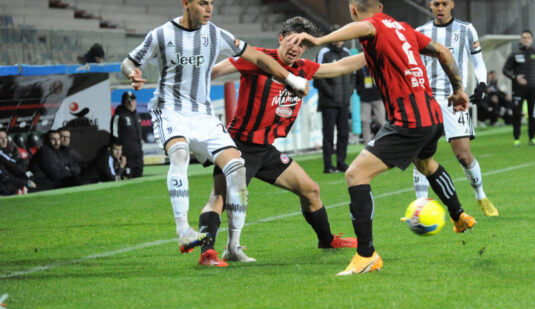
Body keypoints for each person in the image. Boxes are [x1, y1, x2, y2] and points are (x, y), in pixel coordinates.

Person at [288, 0, 476, 275]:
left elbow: (364, 26)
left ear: (352, 9)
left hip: (408, 121)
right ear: (381, 5)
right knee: (426, 164)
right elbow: (444, 53)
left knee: (355, 175)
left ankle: (366, 255)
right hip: (431, 115)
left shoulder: (372, 26)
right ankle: (459, 215)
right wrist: (459, 89)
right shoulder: (401, 29)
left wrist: (318, 38)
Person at [120, 0, 310, 257]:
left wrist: (290, 78)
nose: (209, 8)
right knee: (179, 153)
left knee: (237, 169)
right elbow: (129, 62)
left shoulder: (216, 34)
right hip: (170, 110)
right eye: (202, 3)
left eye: (211, 3)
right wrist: (132, 73)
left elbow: (257, 57)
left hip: (203, 115)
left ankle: (233, 246)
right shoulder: (161, 35)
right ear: (186, 3)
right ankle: (183, 230)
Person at [201, 16, 365, 267]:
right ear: (281, 38)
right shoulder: (256, 58)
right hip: (238, 146)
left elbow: (341, 67)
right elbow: (215, 72)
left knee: (311, 190)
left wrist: (376, 52)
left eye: (301, 45)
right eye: (291, 41)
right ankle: (207, 253)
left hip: (266, 150)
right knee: (219, 198)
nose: (295, 48)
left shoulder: (303, 68)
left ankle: (326, 239)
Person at [412, 0, 498, 217]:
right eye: (435, 4)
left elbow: (478, 62)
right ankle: (421, 206)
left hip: (454, 100)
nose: (440, 8)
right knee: (421, 154)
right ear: (430, 6)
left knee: (463, 155)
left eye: (444, 3)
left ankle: (481, 195)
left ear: (452, 5)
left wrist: (481, 84)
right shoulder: (420, 32)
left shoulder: (466, 29)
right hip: (427, 99)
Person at [314, 24, 356, 173]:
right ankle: (328, 165)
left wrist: (349, 92)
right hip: (329, 103)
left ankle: (341, 162)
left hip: (344, 102)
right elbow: (317, 76)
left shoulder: (347, 52)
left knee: (344, 134)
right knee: (329, 134)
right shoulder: (324, 53)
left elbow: (352, 74)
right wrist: (331, 93)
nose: (340, 40)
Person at [503, 30, 535, 146]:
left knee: (533, 114)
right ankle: (516, 138)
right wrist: (515, 77)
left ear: (532, 40)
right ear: (520, 39)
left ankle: (532, 138)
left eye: (528, 37)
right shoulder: (515, 54)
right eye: (524, 37)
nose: (526, 39)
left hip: (533, 89)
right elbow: (505, 70)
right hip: (518, 89)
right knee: (517, 114)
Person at [111, 91, 144, 178]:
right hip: (126, 157)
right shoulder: (118, 115)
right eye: (128, 100)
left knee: (139, 180)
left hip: (138, 156)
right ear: (123, 102)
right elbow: (114, 135)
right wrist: (120, 154)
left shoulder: (136, 115)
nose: (131, 103)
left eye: (132, 100)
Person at [355, 65, 385, 143]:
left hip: (378, 97)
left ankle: (385, 141)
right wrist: (360, 92)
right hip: (365, 99)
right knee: (365, 121)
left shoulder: (377, 66)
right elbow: (356, 81)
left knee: (381, 121)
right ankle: (367, 144)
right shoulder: (360, 68)